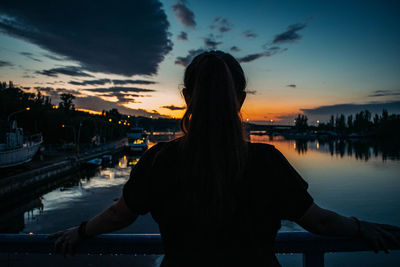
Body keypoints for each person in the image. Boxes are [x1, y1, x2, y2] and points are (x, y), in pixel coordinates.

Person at [50, 50, 400, 266]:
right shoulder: (266, 162)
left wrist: (80, 232)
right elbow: (319, 222)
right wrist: (360, 227)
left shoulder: (160, 160)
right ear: (241, 99)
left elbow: (117, 215)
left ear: (187, 97)